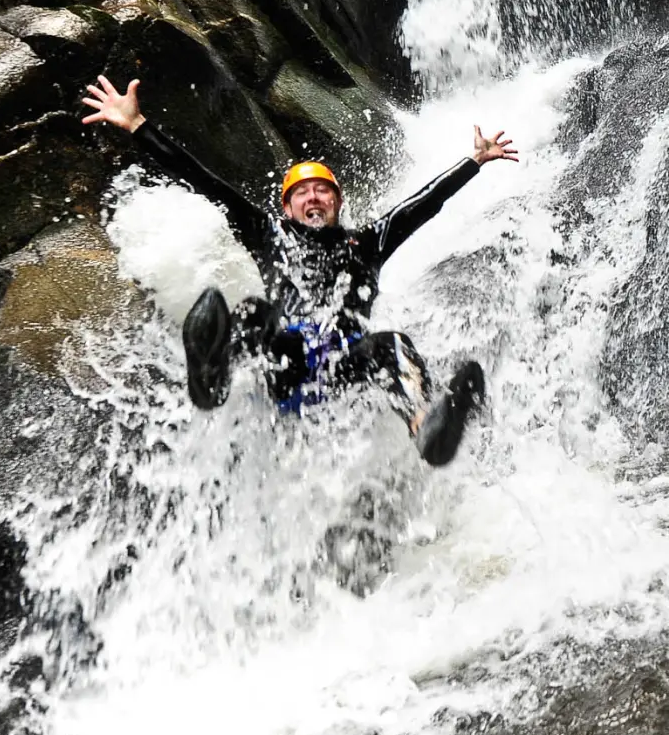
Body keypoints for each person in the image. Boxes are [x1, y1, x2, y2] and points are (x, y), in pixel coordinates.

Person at [81, 76, 512, 465]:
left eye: (323, 190)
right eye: (302, 193)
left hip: (345, 370)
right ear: (287, 207)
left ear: (337, 202)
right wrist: (139, 127)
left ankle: (425, 428)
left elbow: (423, 204)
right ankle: (212, 381)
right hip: (285, 365)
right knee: (253, 313)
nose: (313, 198)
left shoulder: (368, 243)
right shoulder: (267, 235)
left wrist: (473, 163)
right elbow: (201, 178)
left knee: (391, 344)